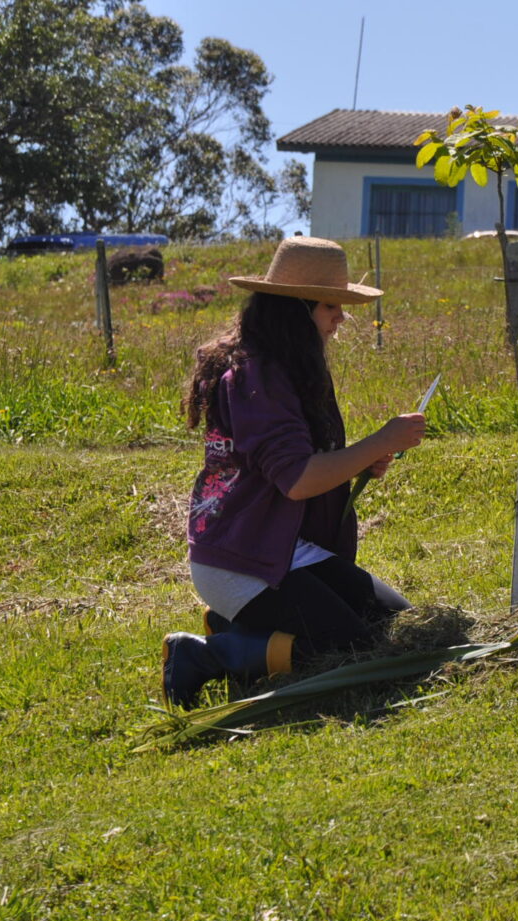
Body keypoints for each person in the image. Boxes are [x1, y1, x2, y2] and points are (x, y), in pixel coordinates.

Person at [160, 236, 427, 708]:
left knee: (398, 626)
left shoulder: (285, 367)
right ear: (296, 309)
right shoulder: (255, 378)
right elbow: (299, 479)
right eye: (331, 306)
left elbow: (302, 469)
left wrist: (364, 459)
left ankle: (240, 627)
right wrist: (380, 441)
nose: (341, 317)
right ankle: (208, 654)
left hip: (284, 548)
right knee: (353, 648)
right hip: (244, 558)